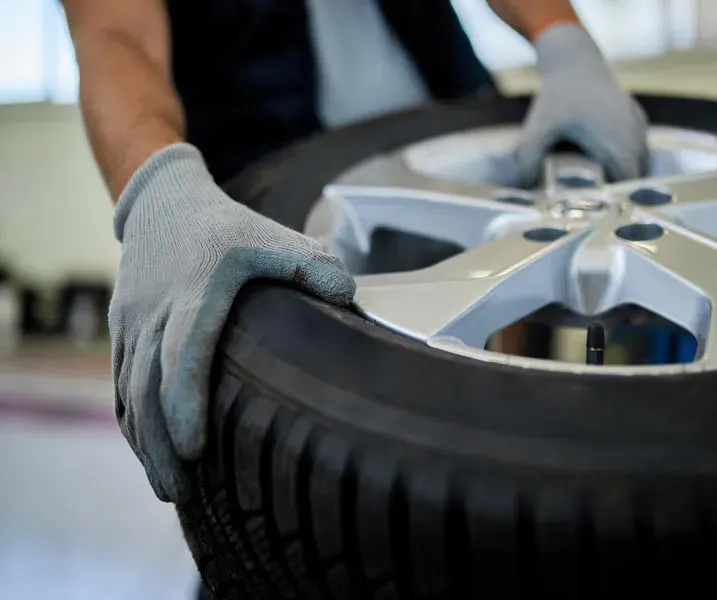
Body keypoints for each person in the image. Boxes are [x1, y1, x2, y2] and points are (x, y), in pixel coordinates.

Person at [61, 0, 647, 505]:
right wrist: (157, 191)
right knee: (302, 490)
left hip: (463, 167)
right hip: (266, 223)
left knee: (516, 456)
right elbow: (116, 31)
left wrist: (561, 35)